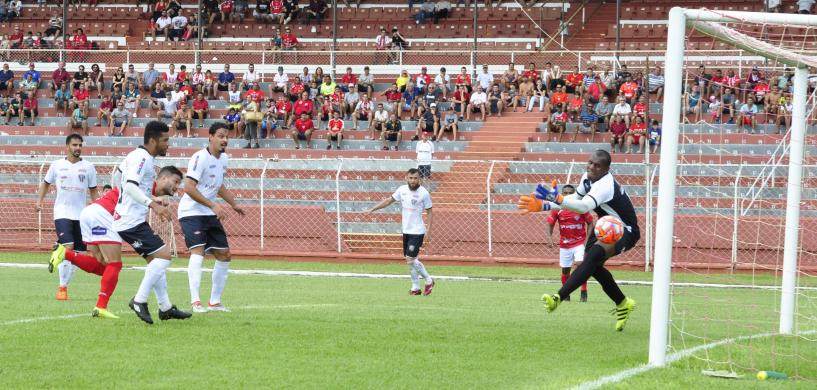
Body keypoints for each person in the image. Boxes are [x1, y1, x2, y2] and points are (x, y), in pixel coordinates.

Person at [518, 149, 639, 331]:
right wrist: (545, 205)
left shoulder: (606, 185)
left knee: (592, 258)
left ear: (606, 169)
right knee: (592, 264)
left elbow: (583, 207)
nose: (591, 167)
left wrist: (557, 198)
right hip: (606, 225)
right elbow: (574, 199)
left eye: (597, 165)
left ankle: (557, 297)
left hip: (625, 229)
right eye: (590, 162)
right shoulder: (588, 177)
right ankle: (623, 303)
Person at [115, 121, 191, 324]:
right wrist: (153, 205)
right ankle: (139, 300)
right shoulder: (141, 157)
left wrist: (151, 199)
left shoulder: (139, 157)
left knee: (155, 262)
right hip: (130, 221)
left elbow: (119, 178)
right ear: (152, 140)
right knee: (164, 256)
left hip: (131, 218)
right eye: (165, 140)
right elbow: (130, 187)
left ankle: (165, 308)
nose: (168, 144)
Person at [181, 122, 245, 313]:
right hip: (191, 211)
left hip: (209, 211)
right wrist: (213, 205)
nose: (224, 139)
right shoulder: (199, 157)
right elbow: (189, 187)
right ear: (210, 137)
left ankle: (215, 302)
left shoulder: (224, 159)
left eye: (227, 136)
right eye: (220, 135)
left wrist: (234, 204)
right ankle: (195, 302)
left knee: (224, 254)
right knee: (198, 251)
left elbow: (219, 186)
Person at [36, 134, 99, 301]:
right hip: (62, 212)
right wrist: (39, 201)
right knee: (69, 247)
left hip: (81, 215)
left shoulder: (89, 167)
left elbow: (93, 190)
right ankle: (62, 289)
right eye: (74, 145)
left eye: (80, 145)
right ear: (67, 146)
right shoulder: (57, 165)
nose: (78, 148)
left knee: (78, 253)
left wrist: (99, 208)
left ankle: (64, 281)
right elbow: (46, 183)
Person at [367, 168, 435, 296]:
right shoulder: (401, 190)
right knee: (411, 260)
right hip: (406, 230)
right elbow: (388, 201)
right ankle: (415, 287)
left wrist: (429, 232)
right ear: (406, 178)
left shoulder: (424, 193)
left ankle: (429, 280)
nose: (413, 180)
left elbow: (430, 212)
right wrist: (373, 209)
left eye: (415, 178)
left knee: (410, 259)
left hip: (418, 231)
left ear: (419, 179)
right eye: (410, 178)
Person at [546, 184, 594, 302]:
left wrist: (587, 241)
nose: (567, 195)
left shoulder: (580, 207)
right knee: (565, 270)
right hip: (565, 244)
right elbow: (550, 224)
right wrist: (549, 238)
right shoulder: (557, 208)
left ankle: (583, 291)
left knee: (580, 265)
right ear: (561, 194)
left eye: (570, 193)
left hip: (580, 243)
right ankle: (566, 294)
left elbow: (590, 223)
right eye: (565, 193)